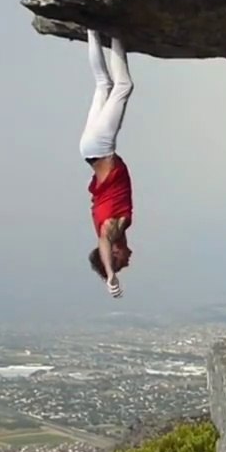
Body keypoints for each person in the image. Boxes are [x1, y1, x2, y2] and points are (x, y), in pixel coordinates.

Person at [79, 29, 135, 299]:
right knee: (103, 84)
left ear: (113, 254)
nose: (128, 260)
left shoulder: (112, 231)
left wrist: (111, 274)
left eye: (121, 262)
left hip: (100, 148)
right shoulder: (115, 232)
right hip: (90, 150)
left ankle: (114, 31)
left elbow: (103, 241)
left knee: (123, 87)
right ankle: (91, 28)